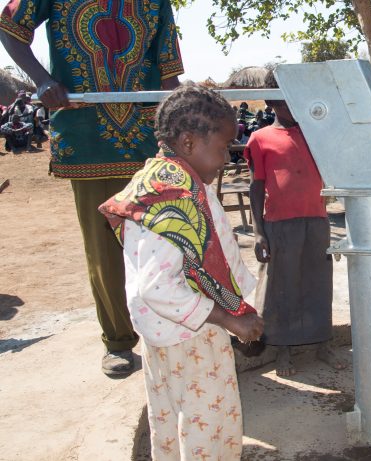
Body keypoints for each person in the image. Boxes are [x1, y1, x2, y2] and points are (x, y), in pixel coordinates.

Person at [0, 0, 184, 375]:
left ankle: (169, 332)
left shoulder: (156, 3)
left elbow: (168, 74)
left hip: (148, 141)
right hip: (86, 138)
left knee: (163, 243)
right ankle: (117, 341)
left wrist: (177, 142)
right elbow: (10, 28)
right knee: (103, 251)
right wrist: (43, 80)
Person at [98, 84, 264, 460]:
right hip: (193, 335)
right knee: (212, 425)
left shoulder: (163, 179)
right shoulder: (176, 196)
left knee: (171, 423)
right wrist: (227, 319)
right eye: (222, 148)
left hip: (165, 334)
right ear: (189, 142)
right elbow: (158, 288)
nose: (226, 158)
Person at [244, 69, 347, 377]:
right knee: (283, 288)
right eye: (283, 99)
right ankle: (283, 350)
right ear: (270, 101)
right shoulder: (260, 139)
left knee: (318, 284)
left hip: (316, 220)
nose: (291, 105)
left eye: (295, 97)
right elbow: (255, 186)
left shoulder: (315, 134)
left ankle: (322, 345)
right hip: (279, 223)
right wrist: (258, 232)